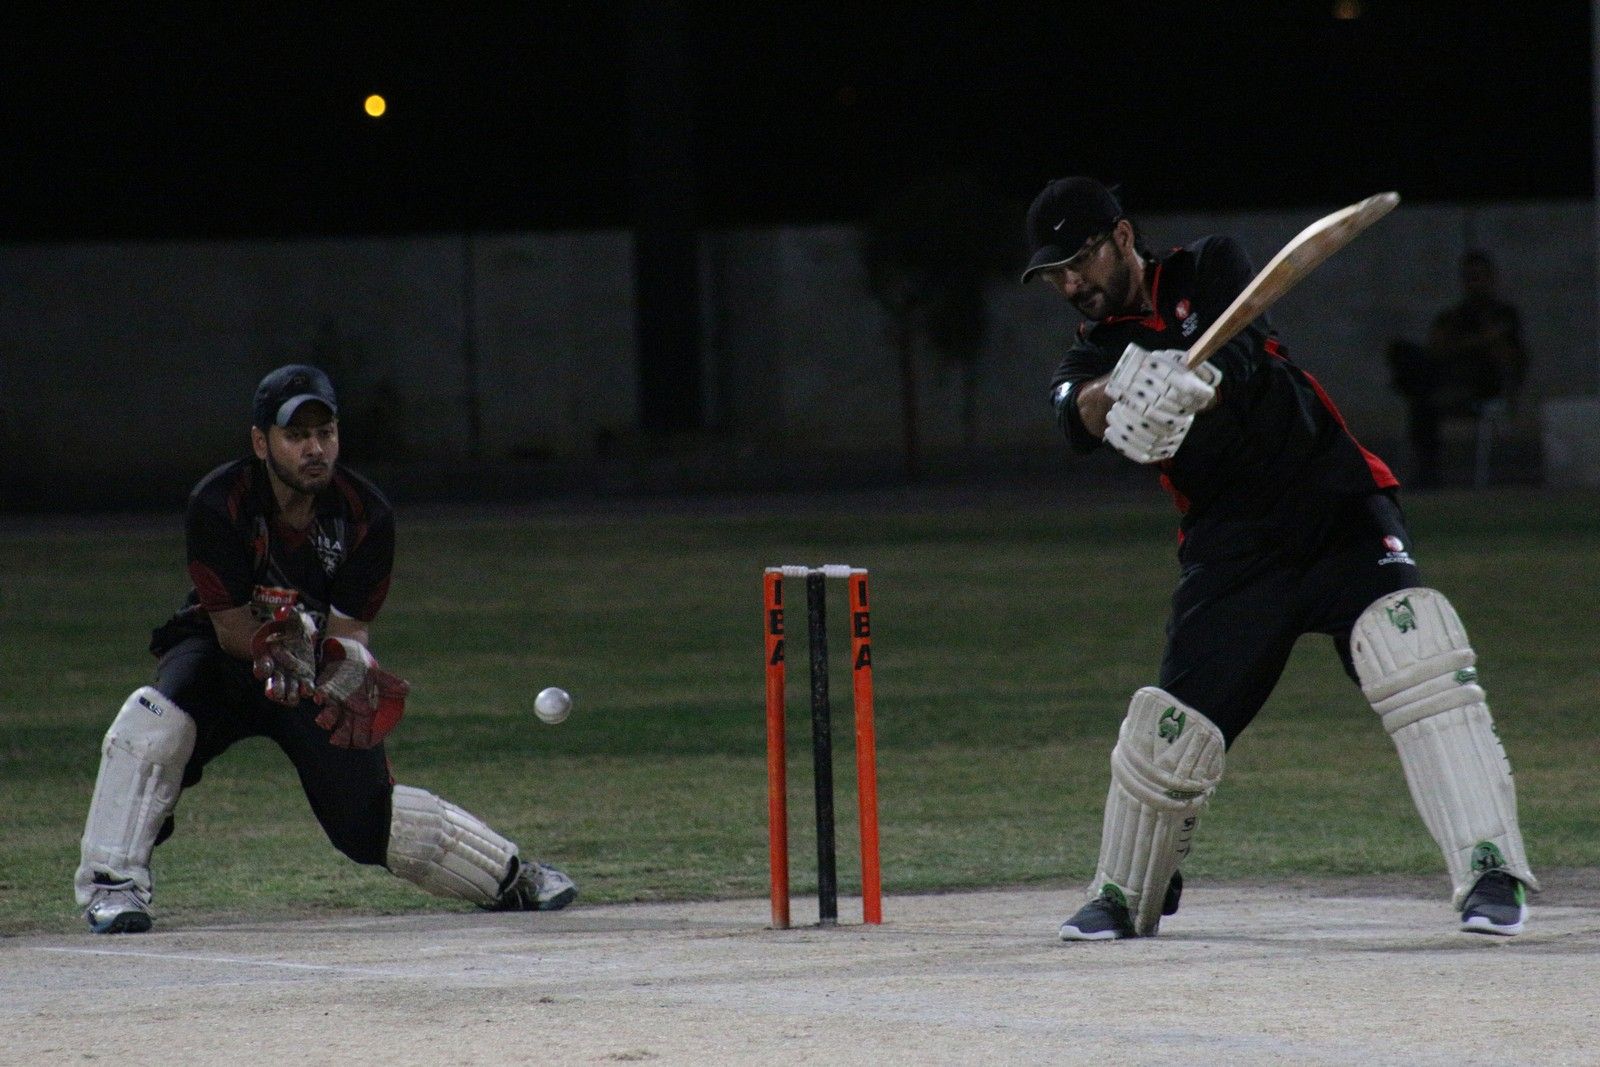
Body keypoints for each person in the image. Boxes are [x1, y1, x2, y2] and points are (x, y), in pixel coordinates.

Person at [1021, 177, 1536, 940]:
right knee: (1171, 733)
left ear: (1122, 237)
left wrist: (1194, 378)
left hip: (1335, 508)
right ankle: (1126, 891)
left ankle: (1491, 872)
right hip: (1232, 549)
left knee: (1416, 653)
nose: (1071, 283)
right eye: (1054, 274)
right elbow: (1075, 412)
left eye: (1079, 260)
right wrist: (1117, 389)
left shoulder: (1207, 267)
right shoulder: (1091, 352)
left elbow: (1242, 349)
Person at [75, 363, 577, 933]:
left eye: (325, 433)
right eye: (296, 435)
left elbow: (349, 631)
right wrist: (277, 646)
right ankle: (111, 886)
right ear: (261, 442)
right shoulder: (220, 503)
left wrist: (345, 668)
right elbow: (230, 626)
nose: (315, 449)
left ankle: (512, 877)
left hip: (307, 665)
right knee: (155, 724)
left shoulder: (366, 515)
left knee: (367, 819)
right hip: (222, 655)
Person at [1387, 249, 1528, 486]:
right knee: (1408, 362)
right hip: (1445, 381)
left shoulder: (1504, 315)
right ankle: (1427, 472)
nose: (1475, 284)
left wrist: (1474, 344)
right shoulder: (1454, 316)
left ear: (1491, 279)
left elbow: (1509, 358)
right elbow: (1437, 349)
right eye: (1469, 278)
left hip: (1480, 388)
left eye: (1479, 277)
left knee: (1424, 395)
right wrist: (1477, 341)